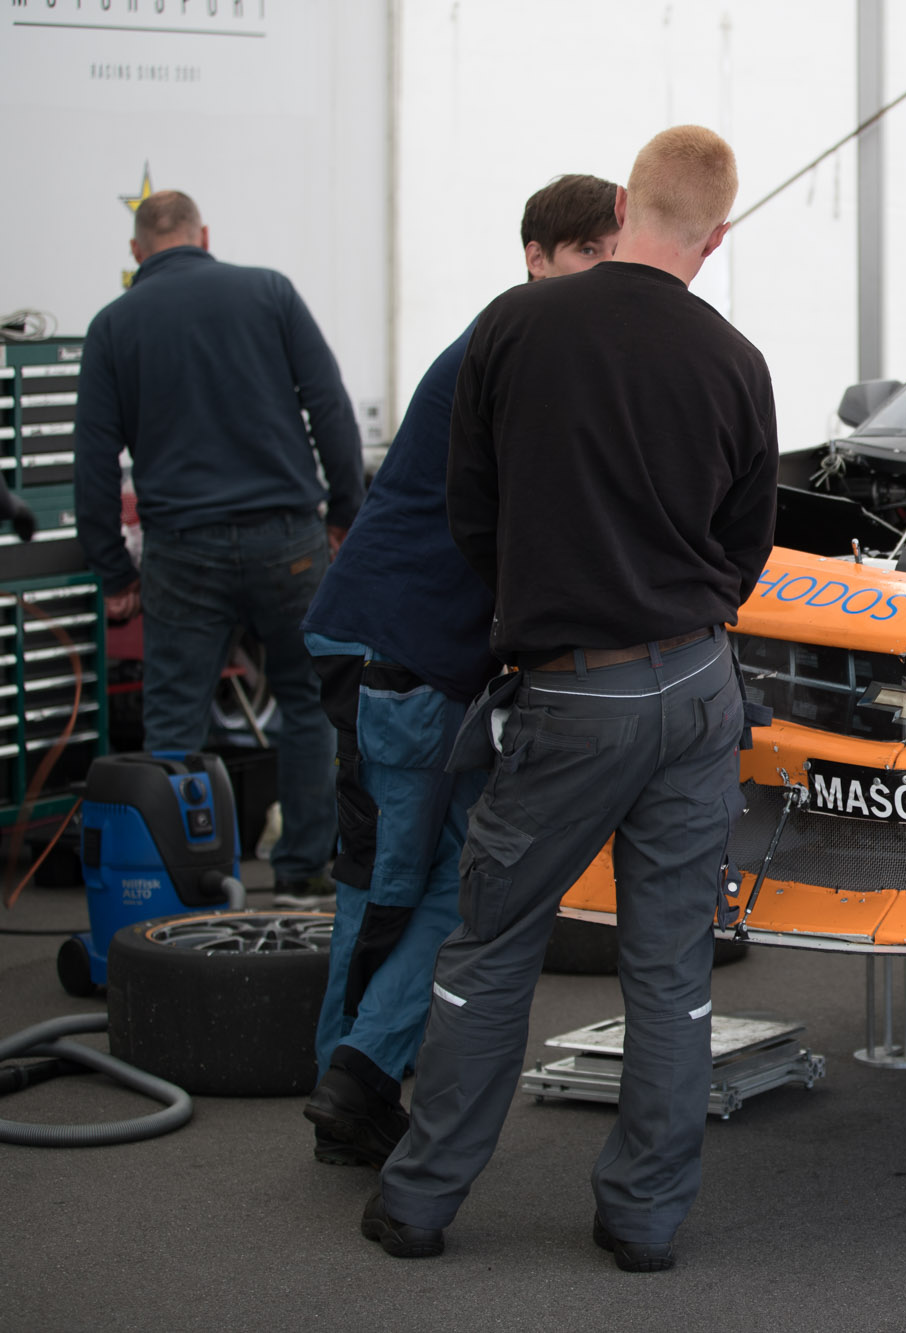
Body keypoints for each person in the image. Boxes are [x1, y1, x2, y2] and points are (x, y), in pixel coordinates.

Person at [362, 125, 778, 1272]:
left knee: (492, 947)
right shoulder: (735, 360)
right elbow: (745, 545)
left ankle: (419, 1202)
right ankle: (644, 1219)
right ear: (717, 235)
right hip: (698, 681)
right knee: (670, 965)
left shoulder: (514, 325)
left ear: (624, 205)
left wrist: (545, 600)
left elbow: (470, 511)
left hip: (571, 690)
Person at [297, 175, 623, 1169]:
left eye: (615, 257)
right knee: (395, 887)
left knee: (446, 883)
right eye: (587, 254)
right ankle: (349, 1082)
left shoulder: (526, 346)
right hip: (395, 655)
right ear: (536, 257)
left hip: (423, 657)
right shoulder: (513, 350)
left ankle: (352, 1085)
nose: (603, 276)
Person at [75, 191, 362, 901]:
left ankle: (181, 884)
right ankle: (302, 874)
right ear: (202, 235)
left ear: (137, 251)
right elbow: (328, 403)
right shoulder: (269, 292)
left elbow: (94, 460)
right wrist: (344, 511)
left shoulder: (113, 324)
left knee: (176, 718)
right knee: (308, 703)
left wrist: (113, 570)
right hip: (288, 539)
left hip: (182, 547)